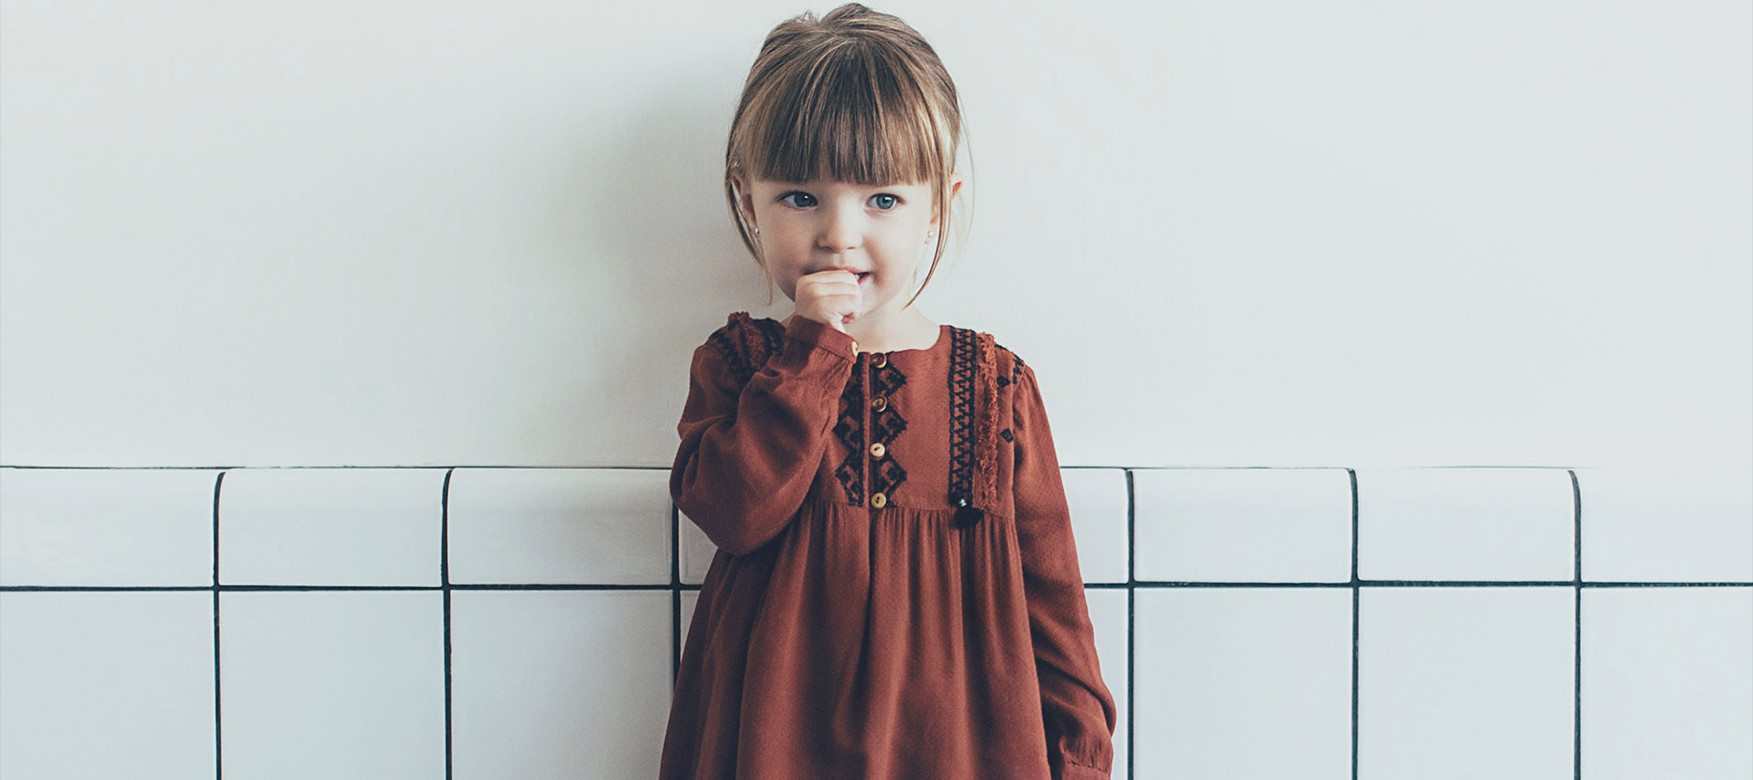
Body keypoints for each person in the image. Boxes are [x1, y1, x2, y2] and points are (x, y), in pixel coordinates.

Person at [660, 5, 1116, 778]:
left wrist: (1078, 762)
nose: (839, 235)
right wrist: (812, 351)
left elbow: (1055, 609)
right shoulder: (738, 366)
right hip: (774, 748)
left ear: (937, 203)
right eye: (799, 197)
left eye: (882, 200)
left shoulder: (998, 389)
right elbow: (735, 515)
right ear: (746, 199)